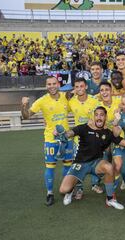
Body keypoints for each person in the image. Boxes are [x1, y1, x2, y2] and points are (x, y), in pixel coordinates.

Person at [59, 106, 125, 209]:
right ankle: (71, 190)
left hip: (96, 163)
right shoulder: (84, 128)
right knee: (63, 190)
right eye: (97, 115)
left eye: (102, 115)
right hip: (80, 163)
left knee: (109, 167)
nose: (99, 117)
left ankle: (110, 199)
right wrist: (63, 134)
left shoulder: (108, 133)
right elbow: (70, 133)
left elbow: (124, 142)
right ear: (93, 117)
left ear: (105, 117)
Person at [21, 76, 74, 206]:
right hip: (51, 139)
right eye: (49, 84)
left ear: (58, 84)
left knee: (68, 166)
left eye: (54, 83)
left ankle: (66, 190)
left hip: (67, 138)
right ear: (46, 86)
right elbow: (26, 116)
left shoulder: (65, 97)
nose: (52, 86)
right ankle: (49, 193)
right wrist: (23, 104)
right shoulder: (42, 101)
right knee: (50, 167)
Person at [68, 77, 101, 198]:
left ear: (86, 86)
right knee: (78, 165)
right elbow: (62, 111)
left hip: (94, 138)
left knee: (96, 163)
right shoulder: (71, 101)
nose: (79, 89)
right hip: (79, 140)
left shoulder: (94, 101)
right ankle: (79, 189)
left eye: (81, 86)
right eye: (76, 87)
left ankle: (95, 184)